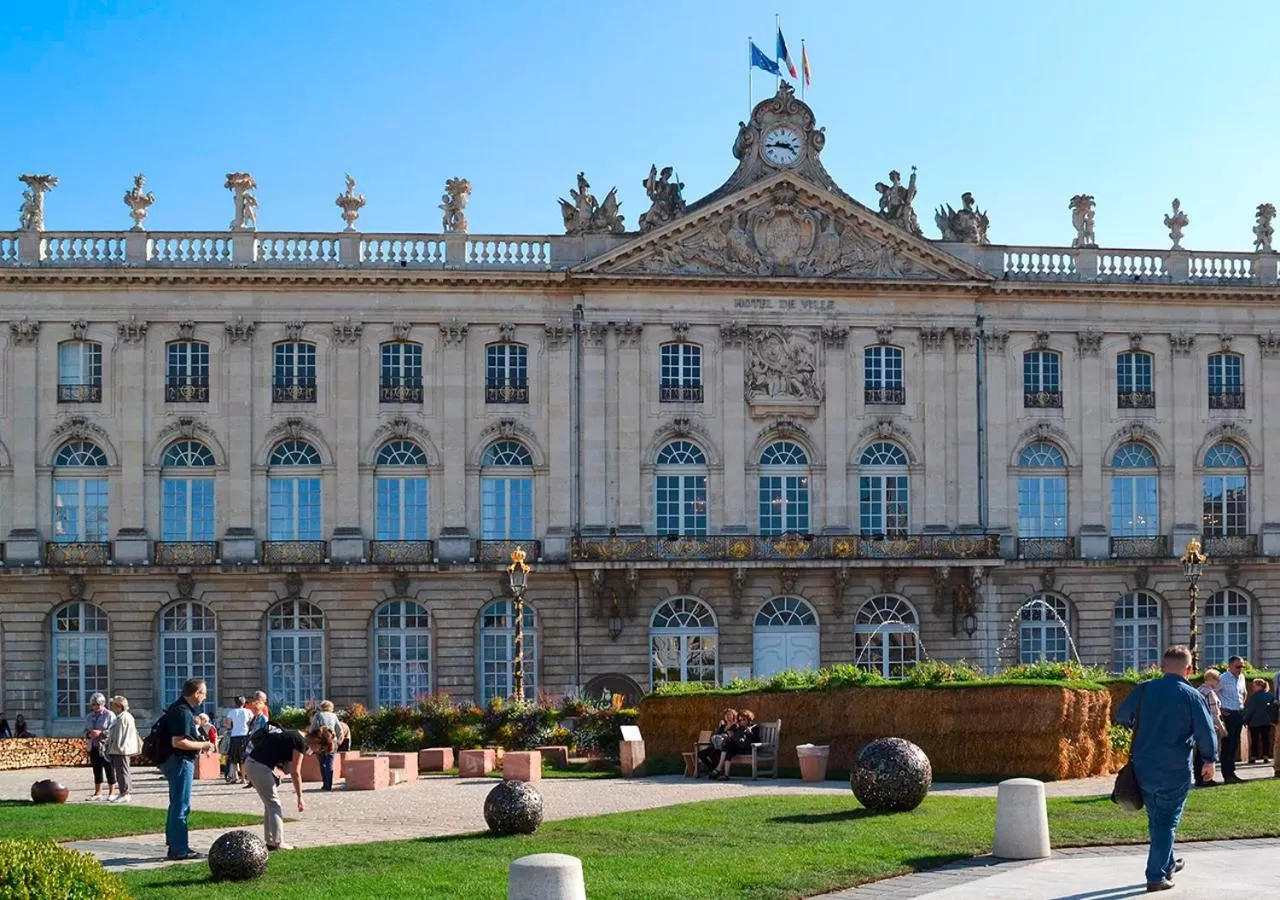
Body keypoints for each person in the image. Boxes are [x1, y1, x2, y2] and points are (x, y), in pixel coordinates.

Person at [1115, 645, 1217, 893]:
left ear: (1162, 667)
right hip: (1173, 767)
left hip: (1142, 766)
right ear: (1189, 669)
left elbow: (1122, 715)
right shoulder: (1192, 695)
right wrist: (1209, 759)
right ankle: (1156, 875)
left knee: (1158, 817)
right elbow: (1206, 731)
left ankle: (1168, 862)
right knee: (1167, 821)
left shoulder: (1145, 689)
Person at [245, 725, 326, 851]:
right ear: (317, 742)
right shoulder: (300, 742)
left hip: (254, 764)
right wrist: (300, 797)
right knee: (274, 805)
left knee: (270, 804)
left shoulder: (296, 734)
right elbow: (295, 772)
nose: (317, 753)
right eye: (320, 749)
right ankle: (279, 842)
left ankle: (271, 841)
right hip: (259, 767)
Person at [164, 678, 216, 861]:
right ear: (196, 693)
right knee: (181, 805)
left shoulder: (179, 708)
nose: (205, 697)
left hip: (175, 761)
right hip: (180, 761)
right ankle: (179, 849)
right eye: (204, 693)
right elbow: (178, 742)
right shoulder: (183, 712)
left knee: (176, 803)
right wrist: (204, 744)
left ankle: (174, 844)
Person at [1216, 656, 1247, 784]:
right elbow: (1214, 693)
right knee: (1227, 745)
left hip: (1238, 712)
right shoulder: (1222, 678)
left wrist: (1242, 706)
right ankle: (1227, 774)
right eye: (1238, 666)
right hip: (1228, 714)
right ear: (1229, 666)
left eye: (1242, 666)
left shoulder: (1242, 677)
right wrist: (1221, 710)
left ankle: (1232, 772)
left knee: (1234, 744)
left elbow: (1244, 693)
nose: (1240, 669)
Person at [105, 696, 141, 803]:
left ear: (119, 706)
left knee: (123, 771)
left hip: (121, 749)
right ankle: (123, 792)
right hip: (119, 749)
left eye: (113, 705)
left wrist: (116, 747)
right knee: (121, 771)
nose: (111, 707)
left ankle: (125, 793)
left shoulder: (124, 718)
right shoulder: (121, 717)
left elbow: (120, 735)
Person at [1194, 669, 1226, 786]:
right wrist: (1222, 729)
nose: (1219, 682)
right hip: (1210, 726)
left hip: (1198, 726)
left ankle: (1199, 778)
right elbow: (1215, 714)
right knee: (1209, 753)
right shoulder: (1210, 693)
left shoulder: (1198, 690)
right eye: (1218, 679)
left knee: (1199, 754)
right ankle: (1207, 779)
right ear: (1211, 679)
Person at [84, 693, 117, 801]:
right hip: (94, 746)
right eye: (93, 705)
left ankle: (112, 792)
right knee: (96, 770)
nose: (95, 707)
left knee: (109, 769)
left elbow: (113, 730)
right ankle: (98, 793)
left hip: (106, 746)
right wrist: (89, 734)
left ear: (103, 704)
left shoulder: (110, 715)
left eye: (98, 705)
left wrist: (101, 733)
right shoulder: (89, 716)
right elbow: (85, 730)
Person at [711, 708, 758, 780]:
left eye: (744, 719)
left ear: (749, 719)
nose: (742, 722)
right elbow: (736, 739)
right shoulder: (740, 727)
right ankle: (726, 775)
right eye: (740, 720)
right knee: (727, 747)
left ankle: (719, 769)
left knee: (727, 747)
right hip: (739, 747)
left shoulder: (754, 727)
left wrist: (750, 733)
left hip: (748, 748)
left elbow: (757, 740)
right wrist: (729, 737)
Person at [309, 700, 340, 791]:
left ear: (321, 707)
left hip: (321, 742)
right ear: (331, 708)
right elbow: (339, 729)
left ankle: (325, 784)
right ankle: (329, 785)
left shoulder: (318, 715)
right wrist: (337, 740)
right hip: (331, 742)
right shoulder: (334, 716)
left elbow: (312, 729)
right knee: (329, 763)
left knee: (322, 763)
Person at [1243, 678, 1275, 763]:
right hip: (1267, 722)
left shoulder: (1254, 697)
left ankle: (1253, 756)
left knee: (1254, 740)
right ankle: (1266, 756)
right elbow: (1273, 708)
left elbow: (1250, 710)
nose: (1253, 688)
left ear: (1260, 686)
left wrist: (1245, 720)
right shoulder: (1270, 696)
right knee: (1266, 739)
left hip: (1254, 722)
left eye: (1254, 686)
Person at [697, 708, 738, 776]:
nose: (727, 716)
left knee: (713, 753)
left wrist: (727, 736)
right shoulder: (723, 726)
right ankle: (713, 769)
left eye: (729, 714)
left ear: (733, 716)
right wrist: (715, 736)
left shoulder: (735, 726)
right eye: (726, 715)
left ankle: (716, 771)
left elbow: (733, 738)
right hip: (718, 746)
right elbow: (717, 735)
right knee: (701, 754)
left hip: (727, 746)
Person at [223, 696, 254, 784]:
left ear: (235, 703)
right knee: (243, 758)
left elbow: (228, 725)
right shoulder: (248, 711)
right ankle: (243, 778)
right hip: (245, 735)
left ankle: (235, 776)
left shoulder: (231, 712)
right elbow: (251, 722)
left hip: (234, 735)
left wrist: (233, 726)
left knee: (233, 757)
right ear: (244, 703)